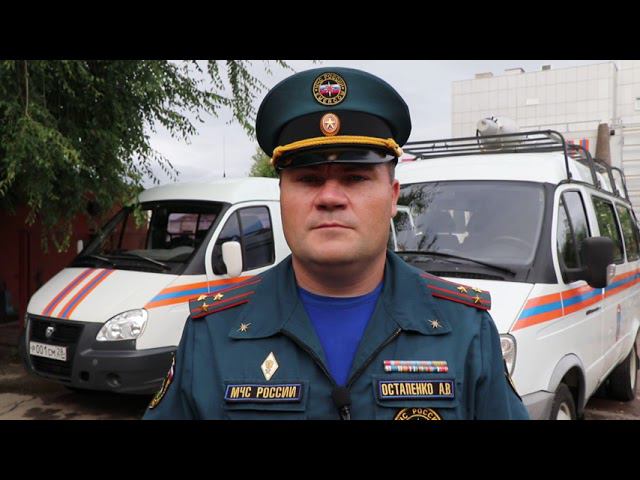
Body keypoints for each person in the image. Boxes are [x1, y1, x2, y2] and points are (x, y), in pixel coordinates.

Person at [143, 67, 529, 420]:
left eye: (355, 177)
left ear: (393, 197)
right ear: (281, 195)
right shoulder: (212, 333)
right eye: (308, 179)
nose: (330, 197)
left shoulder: (465, 330)